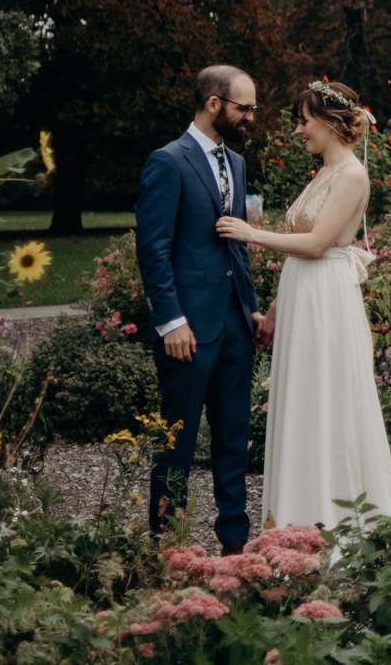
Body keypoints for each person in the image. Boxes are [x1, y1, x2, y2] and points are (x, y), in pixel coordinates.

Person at [216, 79, 391, 531]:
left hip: (328, 302)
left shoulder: (353, 174)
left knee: (326, 400)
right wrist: (276, 309)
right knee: (301, 401)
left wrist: (250, 233)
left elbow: (317, 244)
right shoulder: (322, 172)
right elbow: (303, 251)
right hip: (303, 295)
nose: (298, 131)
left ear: (330, 121)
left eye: (303, 121)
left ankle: (333, 521)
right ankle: (294, 520)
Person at [135, 65, 266, 554]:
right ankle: (168, 552)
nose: (251, 117)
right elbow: (153, 250)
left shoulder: (235, 162)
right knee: (177, 445)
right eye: (244, 108)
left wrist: (250, 309)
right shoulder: (167, 162)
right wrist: (171, 320)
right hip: (186, 330)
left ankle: (235, 548)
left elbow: (237, 244)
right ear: (215, 104)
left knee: (234, 441)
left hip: (233, 325)